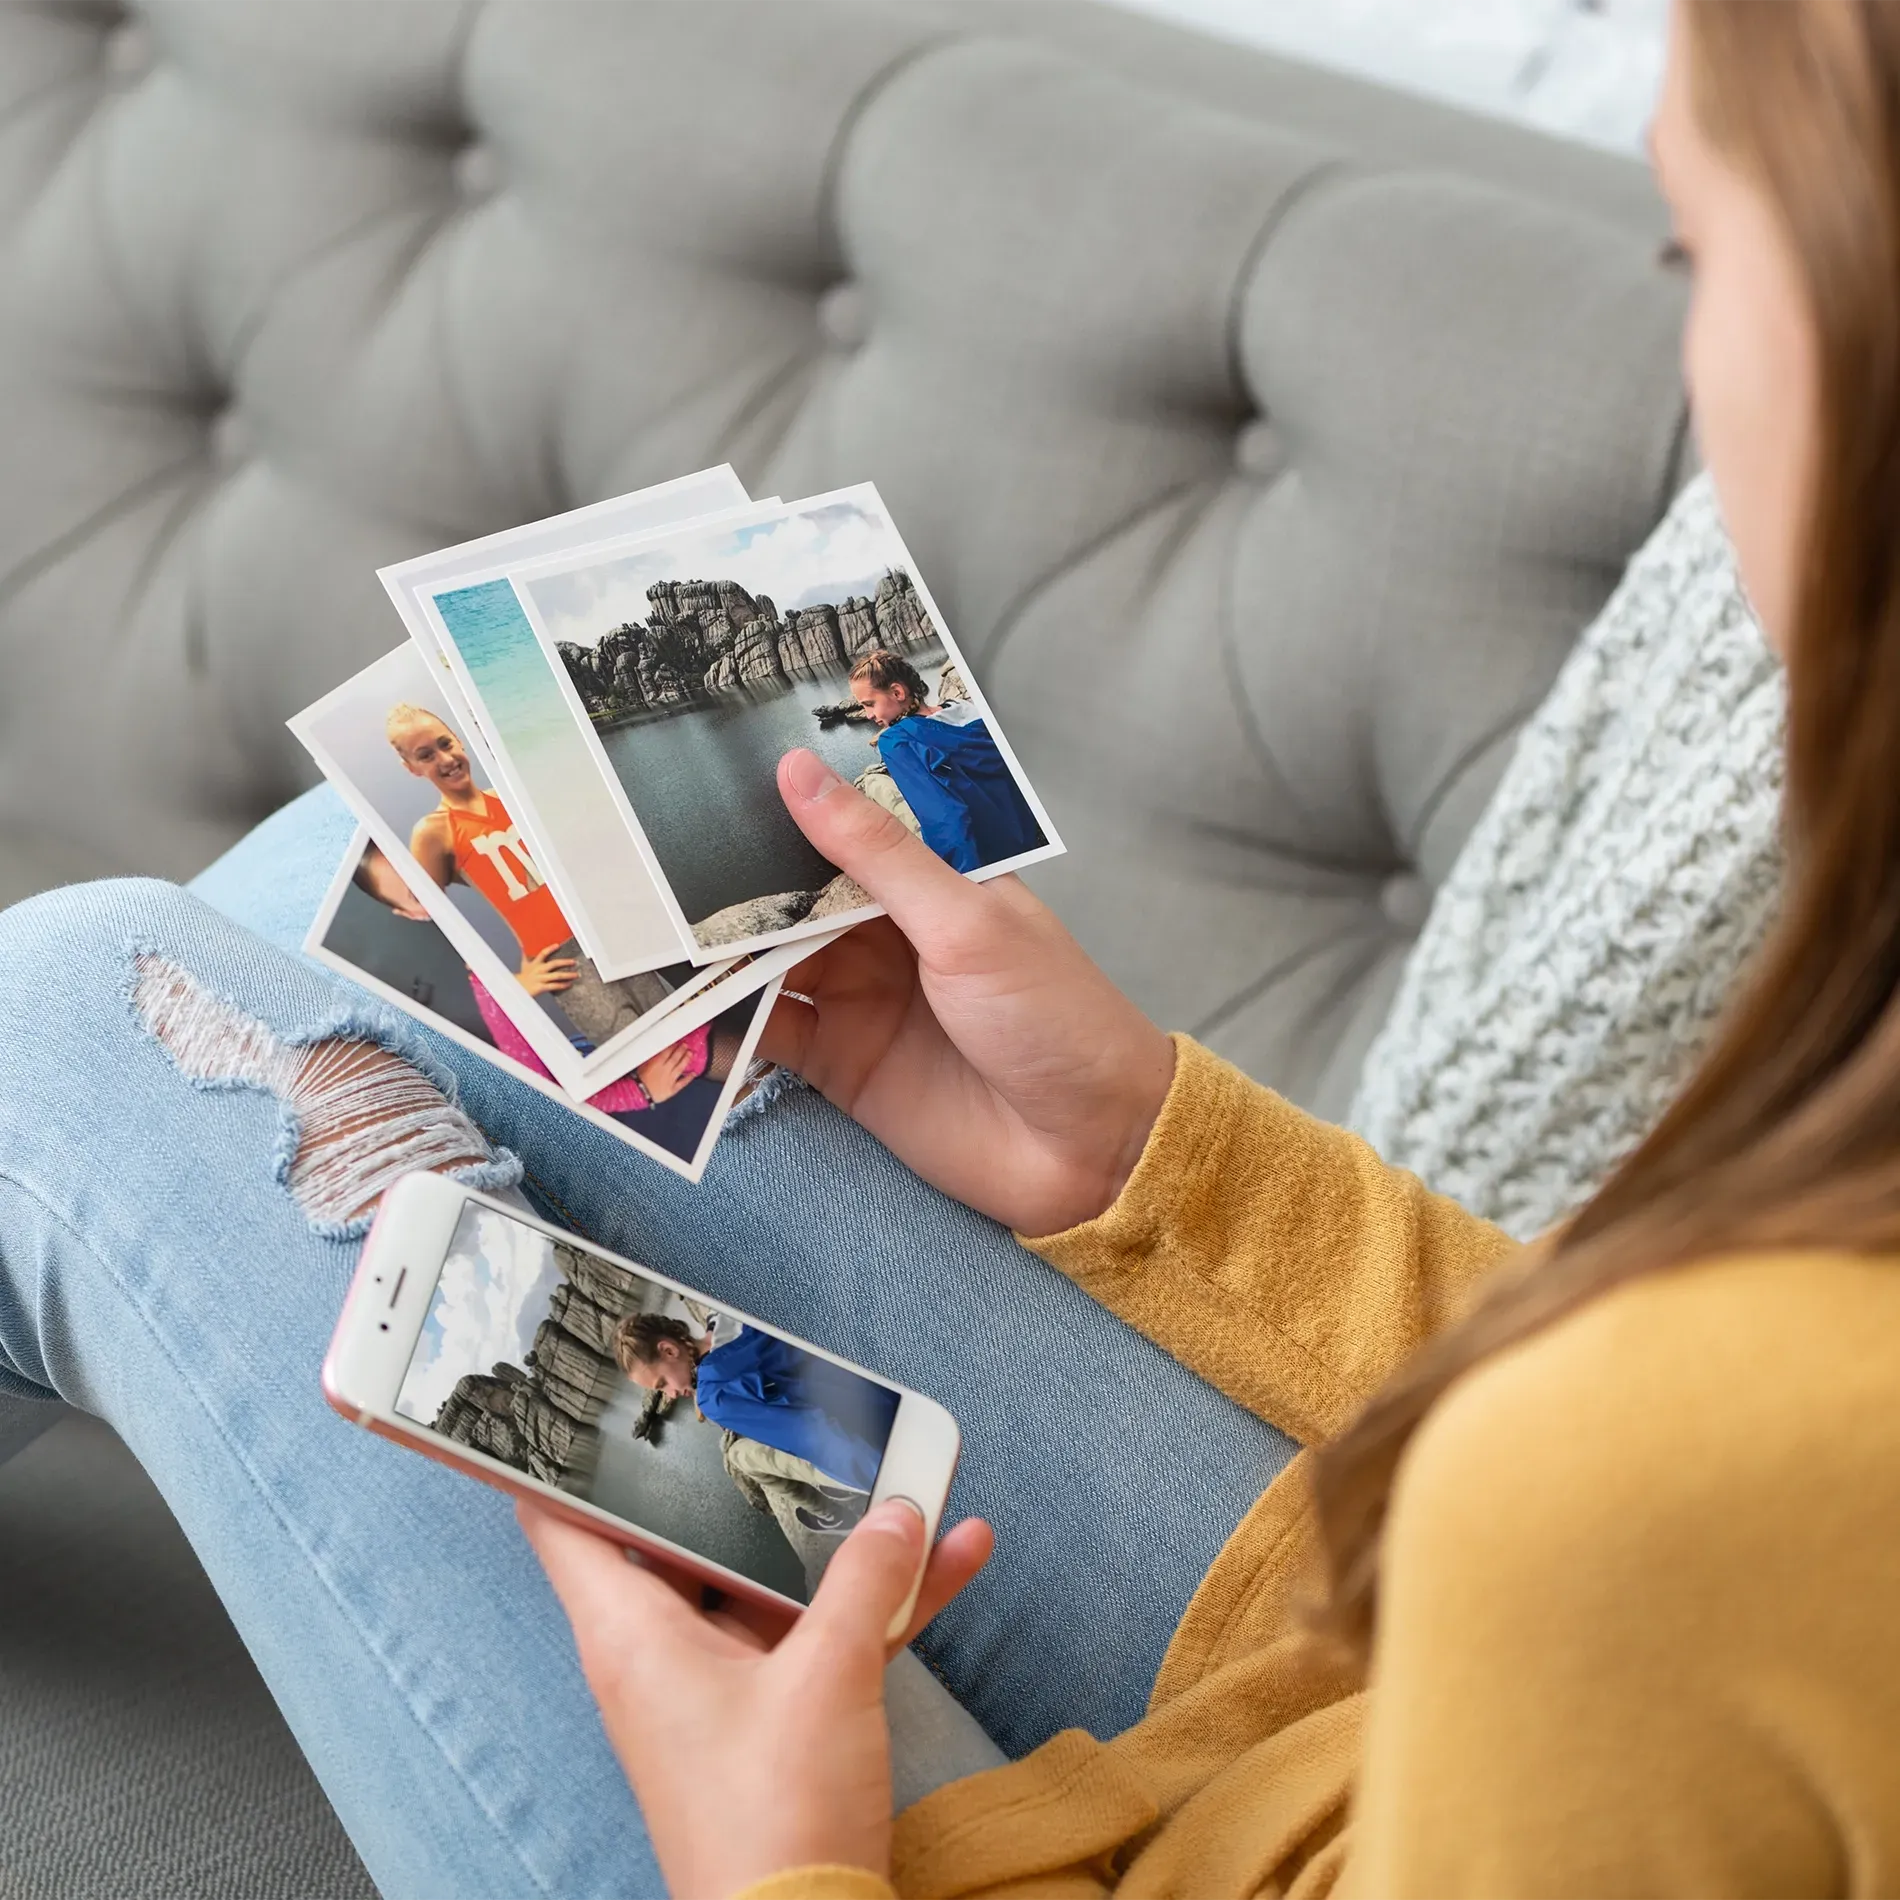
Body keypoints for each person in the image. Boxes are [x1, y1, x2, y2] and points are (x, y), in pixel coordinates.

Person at [0, 1, 1888, 1895]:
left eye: (1698, 259)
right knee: (368, 887)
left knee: (77, 1017)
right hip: (1350, 1659)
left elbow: (1648, 1521)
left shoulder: (1678, 1466)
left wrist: (780, 1868)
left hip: (1327, 1734)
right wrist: (1158, 1147)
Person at [386, 702, 683, 1048]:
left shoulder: (510, 797)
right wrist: (516, 984)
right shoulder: (433, 833)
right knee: (645, 1053)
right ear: (411, 768)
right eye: (425, 755)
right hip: (565, 965)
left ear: (459, 740)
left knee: (684, 1033)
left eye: (445, 743)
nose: (445, 759)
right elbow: (434, 927)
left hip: (604, 935)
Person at [613, 1311, 898, 1494]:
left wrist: (894, 1488)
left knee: (746, 1458)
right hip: (882, 1373)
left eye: (662, 1384)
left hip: (879, 1426)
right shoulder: (725, 1310)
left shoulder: (715, 1396)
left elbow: (815, 1436)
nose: (670, 1394)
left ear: (668, 1349)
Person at [846, 651, 1045, 873]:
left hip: (988, 854)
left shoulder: (895, 741)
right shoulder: (967, 709)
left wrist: (966, 877)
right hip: (1022, 830)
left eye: (869, 704)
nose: (868, 715)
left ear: (897, 692)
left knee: (872, 781)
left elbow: (945, 818)